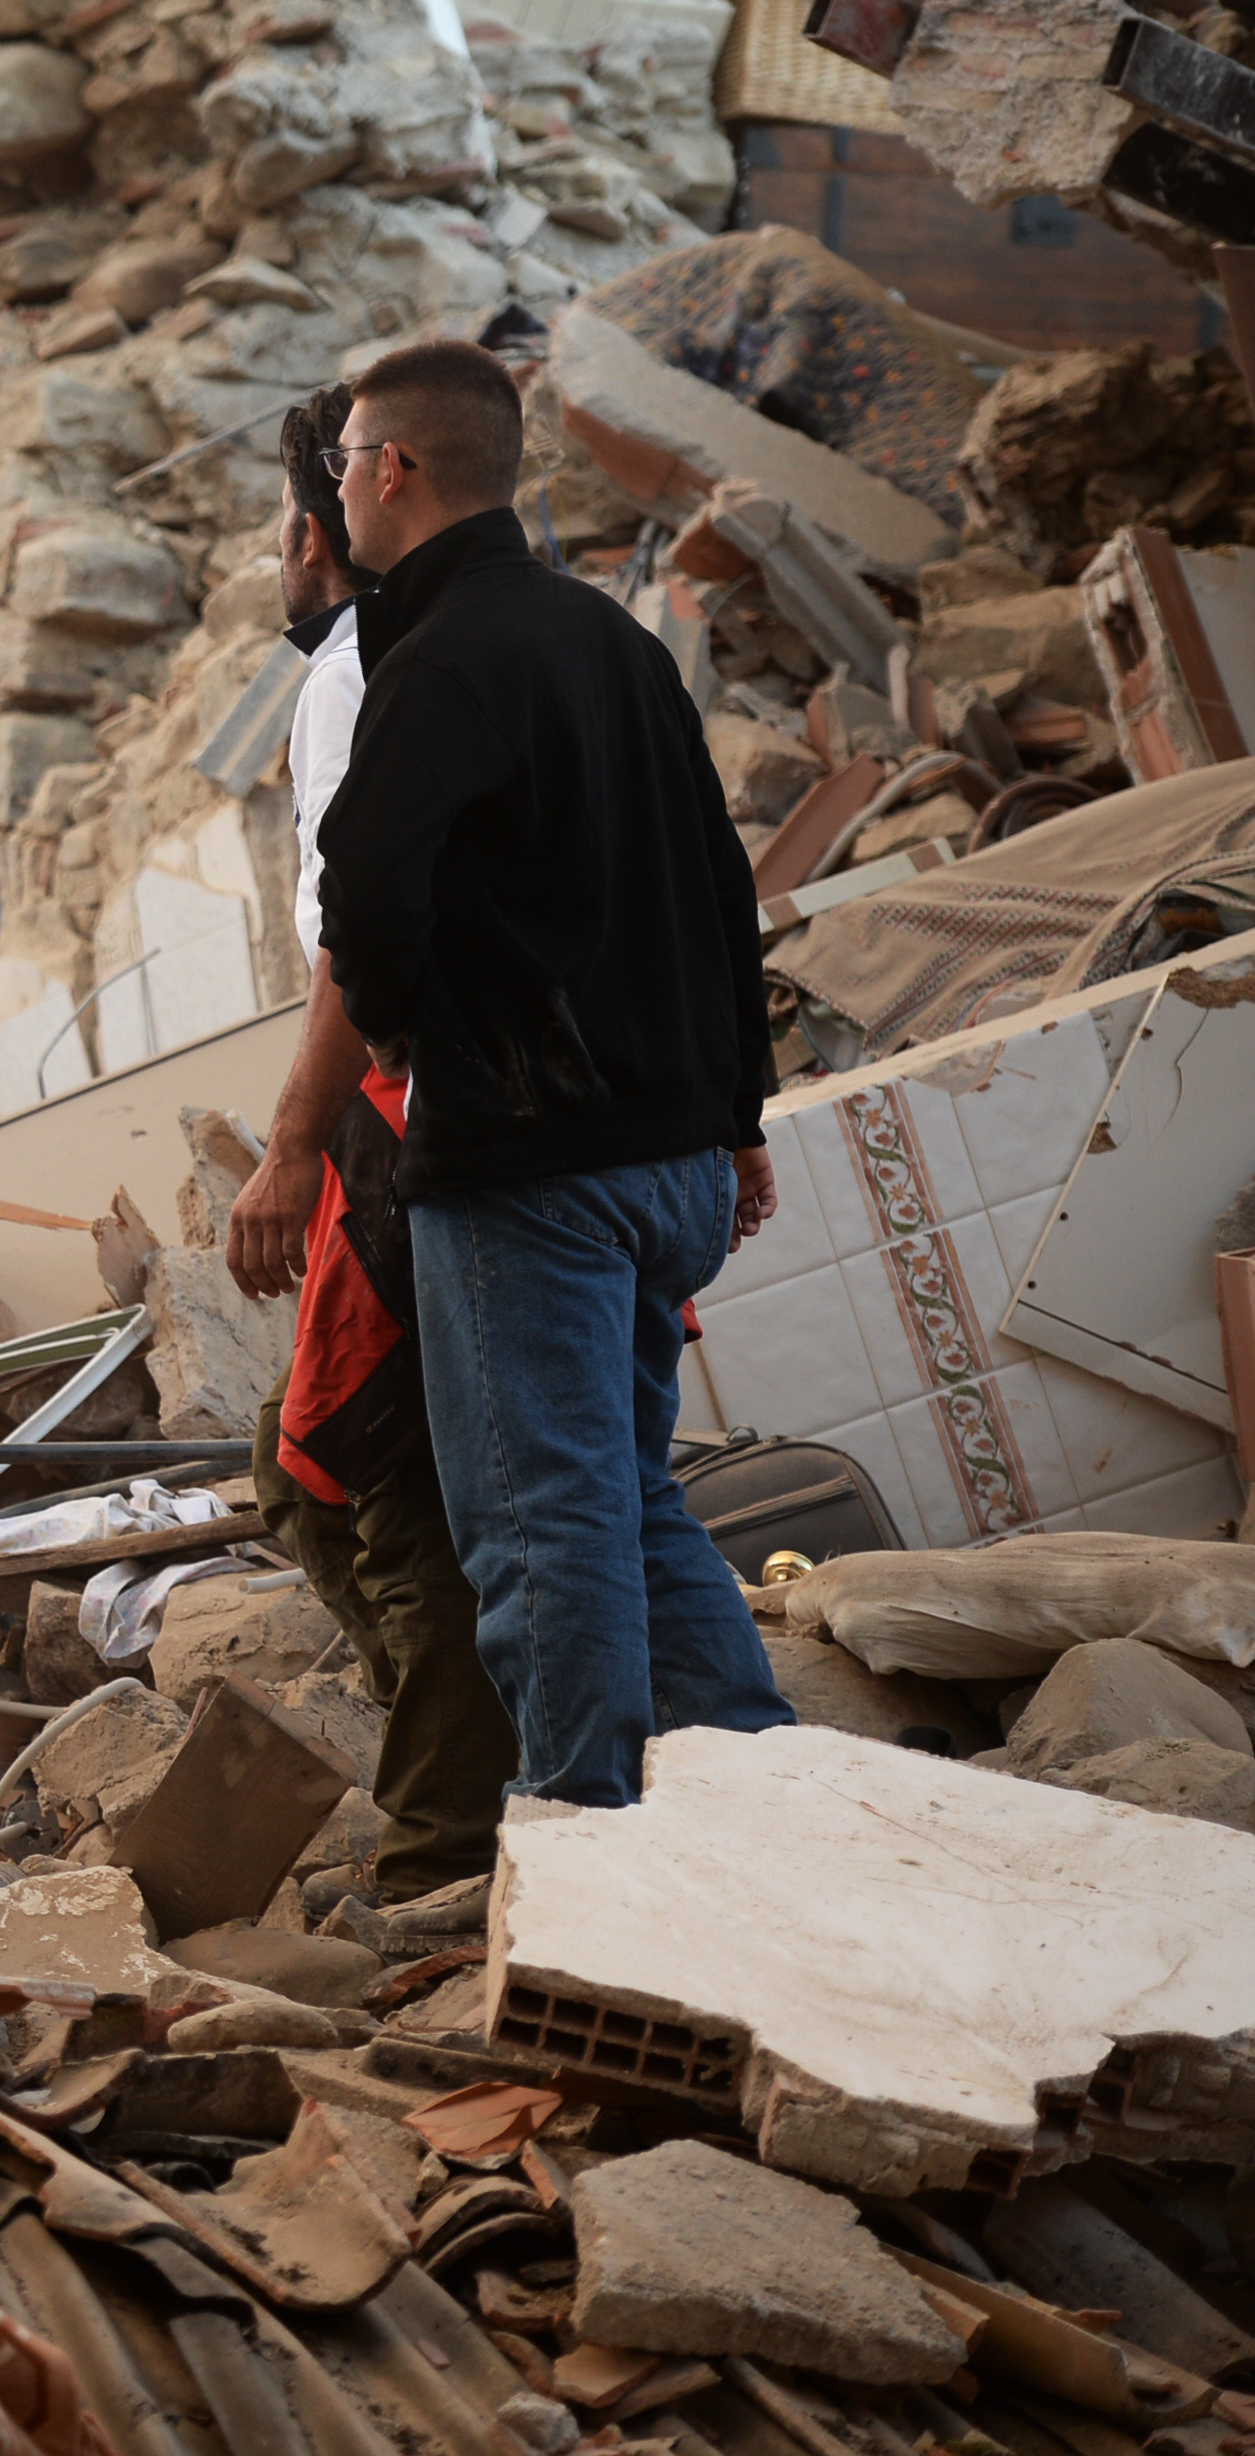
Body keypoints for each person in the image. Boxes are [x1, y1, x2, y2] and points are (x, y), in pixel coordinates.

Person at [307, 338, 794, 1808]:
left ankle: (591, 1843)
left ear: (392, 469)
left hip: (534, 1173)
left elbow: (366, 893)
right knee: (628, 1501)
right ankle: (763, 1812)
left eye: (341, 465)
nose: (336, 494)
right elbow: (723, 894)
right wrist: (738, 1117)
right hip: (670, 1166)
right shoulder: (616, 645)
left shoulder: (441, 657)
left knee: (539, 1528)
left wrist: (399, 1033)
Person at [218, 385, 517, 1901]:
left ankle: (446, 1838)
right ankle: (465, 1773)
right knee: (342, 1467)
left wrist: (296, 1142)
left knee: (368, 1474)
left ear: (332, 525)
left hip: (407, 1119)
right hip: (455, 1113)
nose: (278, 552)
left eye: (288, 522)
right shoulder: (493, 650)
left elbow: (361, 937)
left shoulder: (356, 674)